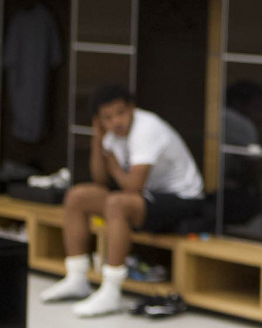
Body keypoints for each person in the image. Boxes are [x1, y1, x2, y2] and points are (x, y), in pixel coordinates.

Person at [40, 84, 205, 316]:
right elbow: (99, 179)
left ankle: (111, 291)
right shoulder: (110, 135)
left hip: (183, 199)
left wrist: (115, 167)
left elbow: (133, 187)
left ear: (132, 110)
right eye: (107, 118)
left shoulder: (147, 128)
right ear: (99, 121)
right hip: (146, 197)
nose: (116, 121)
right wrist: (97, 141)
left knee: (117, 203)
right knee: (77, 196)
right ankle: (77, 278)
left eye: (121, 113)